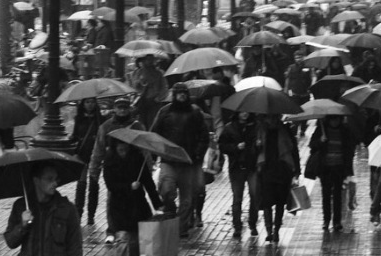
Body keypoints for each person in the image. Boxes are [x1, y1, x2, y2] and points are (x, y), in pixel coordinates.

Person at [151, 82, 210, 237]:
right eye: (179, 93)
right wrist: (154, 155)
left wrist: (197, 154)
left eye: (184, 93)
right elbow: (155, 134)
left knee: (187, 199)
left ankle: (181, 228)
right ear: (174, 95)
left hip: (188, 162)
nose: (182, 95)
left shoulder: (195, 112)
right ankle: (170, 211)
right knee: (167, 189)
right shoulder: (164, 112)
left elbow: (204, 136)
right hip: (169, 160)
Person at [103, 139, 162, 256]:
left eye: (125, 148)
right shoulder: (110, 160)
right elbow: (110, 184)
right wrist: (129, 186)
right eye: (120, 148)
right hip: (119, 205)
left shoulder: (138, 158)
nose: (123, 151)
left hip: (136, 205)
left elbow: (148, 182)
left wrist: (157, 203)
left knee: (134, 240)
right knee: (122, 237)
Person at [89, 96, 145, 244]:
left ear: (129, 109)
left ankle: (131, 228)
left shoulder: (137, 126)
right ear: (114, 109)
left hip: (133, 170)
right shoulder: (106, 127)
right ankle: (112, 230)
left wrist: (147, 169)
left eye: (125, 108)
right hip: (113, 170)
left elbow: (144, 149)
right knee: (112, 200)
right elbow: (98, 150)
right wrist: (94, 171)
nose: (122, 110)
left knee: (134, 200)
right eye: (119, 107)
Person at [255, 113, 300, 243]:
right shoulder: (260, 131)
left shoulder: (285, 130)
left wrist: (296, 170)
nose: (271, 119)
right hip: (266, 169)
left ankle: (277, 230)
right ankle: (269, 230)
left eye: (274, 117)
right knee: (267, 202)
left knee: (280, 202)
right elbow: (254, 151)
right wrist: (257, 146)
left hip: (282, 169)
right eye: (269, 117)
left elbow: (293, 149)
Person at [308, 115, 356, 233]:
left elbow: (350, 149)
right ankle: (326, 220)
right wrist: (320, 141)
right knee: (326, 194)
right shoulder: (321, 129)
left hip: (339, 167)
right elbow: (312, 145)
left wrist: (348, 170)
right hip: (325, 167)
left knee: (338, 195)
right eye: (333, 119)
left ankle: (337, 221)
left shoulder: (344, 131)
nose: (335, 122)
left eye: (337, 119)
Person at [219, 111, 261, 239]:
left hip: (252, 166)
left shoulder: (256, 126)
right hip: (236, 167)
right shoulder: (229, 127)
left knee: (255, 195)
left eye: (247, 111)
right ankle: (237, 226)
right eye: (242, 111)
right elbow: (222, 146)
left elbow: (261, 144)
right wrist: (236, 147)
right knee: (237, 198)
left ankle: (253, 223)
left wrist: (258, 145)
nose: (245, 114)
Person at [69, 98, 103, 225]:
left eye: (92, 102)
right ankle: (78, 213)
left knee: (93, 186)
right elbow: (75, 135)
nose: (90, 105)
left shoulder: (100, 119)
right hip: (82, 154)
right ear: (83, 104)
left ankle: (91, 215)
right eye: (87, 102)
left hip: (96, 155)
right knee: (81, 185)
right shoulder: (79, 118)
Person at [130, 54, 169, 130]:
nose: (150, 61)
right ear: (143, 60)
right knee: (141, 122)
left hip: (154, 102)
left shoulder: (159, 73)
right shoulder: (138, 72)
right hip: (142, 101)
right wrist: (140, 82)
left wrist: (158, 98)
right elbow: (133, 86)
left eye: (152, 59)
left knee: (153, 122)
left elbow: (164, 87)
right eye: (148, 59)